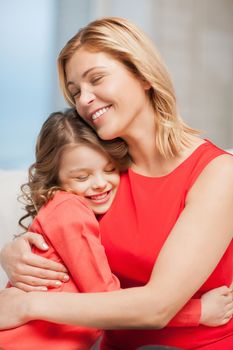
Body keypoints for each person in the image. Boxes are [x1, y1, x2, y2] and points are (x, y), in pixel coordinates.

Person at [0, 17, 233, 350]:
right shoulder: (102, 175)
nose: (84, 99)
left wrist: (25, 305)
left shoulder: (217, 173)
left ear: (142, 75)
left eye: (96, 79)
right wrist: (12, 253)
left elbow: (158, 307)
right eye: (75, 91)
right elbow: (61, 233)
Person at [0, 109, 125, 349]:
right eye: (81, 177)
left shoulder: (65, 210)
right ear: (55, 179)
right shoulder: (69, 210)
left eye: (109, 169)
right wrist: (197, 313)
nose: (100, 183)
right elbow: (108, 300)